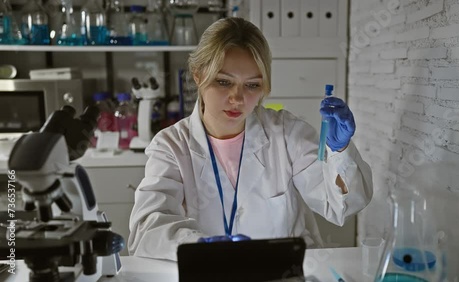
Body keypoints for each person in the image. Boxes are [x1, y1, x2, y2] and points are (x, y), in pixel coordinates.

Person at [128, 17, 373, 261]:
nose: (237, 98)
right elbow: (146, 231)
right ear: (198, 75)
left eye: (252, 85)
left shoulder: (286, 133)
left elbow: (341, 206)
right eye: (224, 82)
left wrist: (339, 152)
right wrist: (200, 245)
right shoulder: (171, 146)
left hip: (283, 273)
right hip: (211, 272)